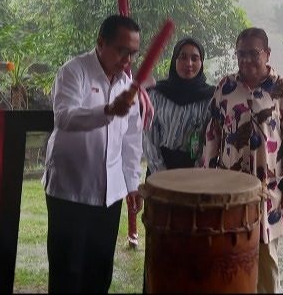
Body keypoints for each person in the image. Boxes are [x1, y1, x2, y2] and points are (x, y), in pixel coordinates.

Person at [42, 15, 144, 293]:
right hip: (70, 191)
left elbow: (132, 139)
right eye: (122, 50)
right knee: (67, 276)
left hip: (109, 196)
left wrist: (132, 184)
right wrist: (108, 111)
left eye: (133, 53)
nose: (127, 60)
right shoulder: (74, 71)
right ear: (101, 42)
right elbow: (65, 118)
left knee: (99, 274)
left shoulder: (127, 84)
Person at [201, 27, 283, 293]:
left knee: (266, 256)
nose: (246, 60)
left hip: (267, 190)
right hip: (229, 189)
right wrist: (204, 178)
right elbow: (212, 134)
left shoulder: (282, 89)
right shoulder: (226, 87)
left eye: (253, 53)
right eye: (240, 54)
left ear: (267, 54)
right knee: (230, 252)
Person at [143, 37, 215, 175]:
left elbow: (210, 140)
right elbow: (148, 137)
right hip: (159, 168)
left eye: (195, 58)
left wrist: (196, 173)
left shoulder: (210, 97)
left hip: (195, 172)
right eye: (182, 57)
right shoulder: (157, 93)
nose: (188, 63)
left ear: (201, 63)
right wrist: (161, 173)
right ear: (174, 60)